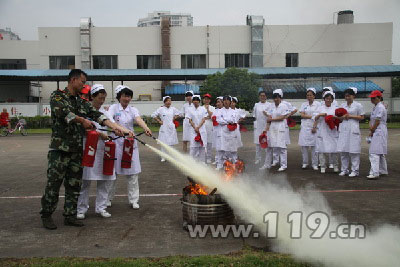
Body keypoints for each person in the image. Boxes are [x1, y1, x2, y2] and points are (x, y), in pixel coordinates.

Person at [40, 69, 130, 230]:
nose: (84, 85)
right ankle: (46, 215)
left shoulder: (81, 101)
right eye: (82, 81)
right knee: (54, 184)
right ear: (73, 80)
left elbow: (97, 115)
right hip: (59, 150)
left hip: (76, 150)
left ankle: (70, 215)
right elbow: (63, 113)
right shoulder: (58, 96)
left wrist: (116, 127)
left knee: (74, 185)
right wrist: (82, 121)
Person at [77, 84, 120, 219]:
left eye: (103, 98)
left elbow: (113, 125)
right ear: (92, 97)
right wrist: (99, 134)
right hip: (88, 149)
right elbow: (82, 128)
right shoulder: (84, 111)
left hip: (102, 150)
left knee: (104, 179)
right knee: (85, 180)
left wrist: (123, 131)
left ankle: (101, 207)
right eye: (99, 98)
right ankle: (81, 209)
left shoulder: (105, 113)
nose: (101, 101)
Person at [106, 85, 152, 210]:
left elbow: (138, 119)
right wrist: (124, 130)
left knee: (133, 174)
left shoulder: (133, 109)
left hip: (130, 144)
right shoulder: (113, 108)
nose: (126, 98)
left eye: (129, 96)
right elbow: (111, 123)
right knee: (113, 174)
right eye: (124, 96)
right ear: (119, 97)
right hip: (116, 144)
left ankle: (134, 200)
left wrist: (146, 128)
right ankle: (108, 199)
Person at [337, 87, 365, 177]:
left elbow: (362, 117)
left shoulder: (358, 105)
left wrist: (351, 116)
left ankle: (355, 170)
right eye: (345, 96)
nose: (347, 98)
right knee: (343, 150)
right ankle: (344, 169)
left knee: (354, 151)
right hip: (344, 127)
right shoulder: (342, 105)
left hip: (353, 127)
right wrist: (342, 117)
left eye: (349, 96)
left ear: (353, 96)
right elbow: (339, 117)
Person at [260, 89, 289, 171]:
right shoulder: (271, 106)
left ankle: (283, 165)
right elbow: (269, 118)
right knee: (269, 146)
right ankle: (267, 164)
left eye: (277, 98)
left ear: (280, 98)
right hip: (272, 128)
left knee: (282, 147)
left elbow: (283, 117)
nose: (276, 99)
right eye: (274, 98)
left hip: (280, 127)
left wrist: (272, 120)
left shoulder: (284, 106)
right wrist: (266, 129)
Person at [312, 91, 339, 174]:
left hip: (332, 130)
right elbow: (314, 117)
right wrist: (320, 115)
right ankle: (323, 166)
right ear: (324, 99)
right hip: (322, 130)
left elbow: (339, 118)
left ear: (332, 100)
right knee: (321, 149)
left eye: (330, 99)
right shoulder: (320, 108)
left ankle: (335, 166)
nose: (328, 100)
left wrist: (332, 117)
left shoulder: (335, 108)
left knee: (334, 149)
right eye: (326, 98)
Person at [151, 96, 182, 162]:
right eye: (167, 101)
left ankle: (171, 156)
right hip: (164, 127)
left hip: (171, 127)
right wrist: (159, 121)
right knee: (163, 142)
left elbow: (180, 113)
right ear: (164, 102)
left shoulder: (173, 109)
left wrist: (174, 117)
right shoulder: (161, 109)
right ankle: (163, 156)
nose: (169, 102)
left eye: (170, 101)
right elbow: (153, 115)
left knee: (171, 142)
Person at [272, 89, 297, 167]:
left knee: (282, 144)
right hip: (274, 126)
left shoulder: (285, 104)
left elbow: (295, 109)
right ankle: (275, 160)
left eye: (277, 96)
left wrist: (288, 115)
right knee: (275, 144)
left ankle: (283, 163)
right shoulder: (273, 105)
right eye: (274, 96)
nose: (276, 98)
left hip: (283, 126)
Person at [367, 90, 388, 179]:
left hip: (379, 129)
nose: (372, 99)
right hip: (378, 129)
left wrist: (372, 130)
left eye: (374, 98)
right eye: (371, 98)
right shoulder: (377, 107)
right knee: (379, 151)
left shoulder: (380, 107)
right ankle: (383, 170)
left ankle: (375, 172)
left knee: (374, 152)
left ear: (379, 98)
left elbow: (377, 120)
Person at [298, 88, 321, 170]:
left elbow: (318, 117)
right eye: (307, 95)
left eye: (310, 95)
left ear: (314, 96)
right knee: (304, 146)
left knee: (314, 146)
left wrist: (314, 126)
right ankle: (305, 163)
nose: (309, 97)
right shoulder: (304, 104)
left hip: (314, 127)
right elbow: (302, 115)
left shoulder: (318, 104)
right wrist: (313, 116)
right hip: (304, 127)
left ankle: (315, 164)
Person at [216, 96, 240, 168]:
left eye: (228, 100)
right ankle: (219, 165)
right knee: (221, 149)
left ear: (230, 102)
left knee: (232, 149)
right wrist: (228, 121)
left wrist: (226, 120)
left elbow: (234, 120)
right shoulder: (219, 111)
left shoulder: (233, 111)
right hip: (222, 132)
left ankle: (234, 164)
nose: (226, 102)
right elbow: (219, 120)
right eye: (225, 100)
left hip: (231, 132)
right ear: (223, 102)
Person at [186, 95, 208, 163]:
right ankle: (191, 162)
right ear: (192, 101)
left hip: (202, 130)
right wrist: (195, 127)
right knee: (193, 147)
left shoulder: (203, 109)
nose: (195, 101)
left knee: (202, 146)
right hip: (193, 130)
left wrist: (198, 127)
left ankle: (202, 162)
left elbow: (204, 119)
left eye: (197, 100)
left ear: (199, 101)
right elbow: (189, 120)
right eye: (194, 100)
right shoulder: (189, 109)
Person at [253, 91, 271, 165]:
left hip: (266, 126)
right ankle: (258, 159)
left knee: (267, 143)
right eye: (261, 96)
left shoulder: (269, 105)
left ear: (266, 96)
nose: (262, 97)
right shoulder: (256, 105)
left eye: (264, 96)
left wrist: (266, 114)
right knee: (258, 144)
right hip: (258, 126)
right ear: (259, 96)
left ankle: (268, 160)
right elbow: (255, 115)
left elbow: (271, 116)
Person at [202, 93, 215, 164]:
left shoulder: (212, 108)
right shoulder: (200, 108)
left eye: (208, 99)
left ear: (210, 100)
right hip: (203, 126)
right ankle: (204, 158)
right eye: (205, 99)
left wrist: (208, 110)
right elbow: (201, 117)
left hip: (210, 126)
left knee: (209, 143)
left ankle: (209, 158)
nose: (206, 100)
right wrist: (207, 117)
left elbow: (213, 117)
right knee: (204, 143)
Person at [212, 96, 223, 168]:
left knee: (221, 147)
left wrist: (218, 120)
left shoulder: (224, 110)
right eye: (217, 102)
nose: (217, 103)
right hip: (216, 130)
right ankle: (217, 160)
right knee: (217, 146)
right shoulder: (215, 110)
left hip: (222, 131)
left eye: (219, 102)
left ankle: (221, 163)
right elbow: (213, 117)